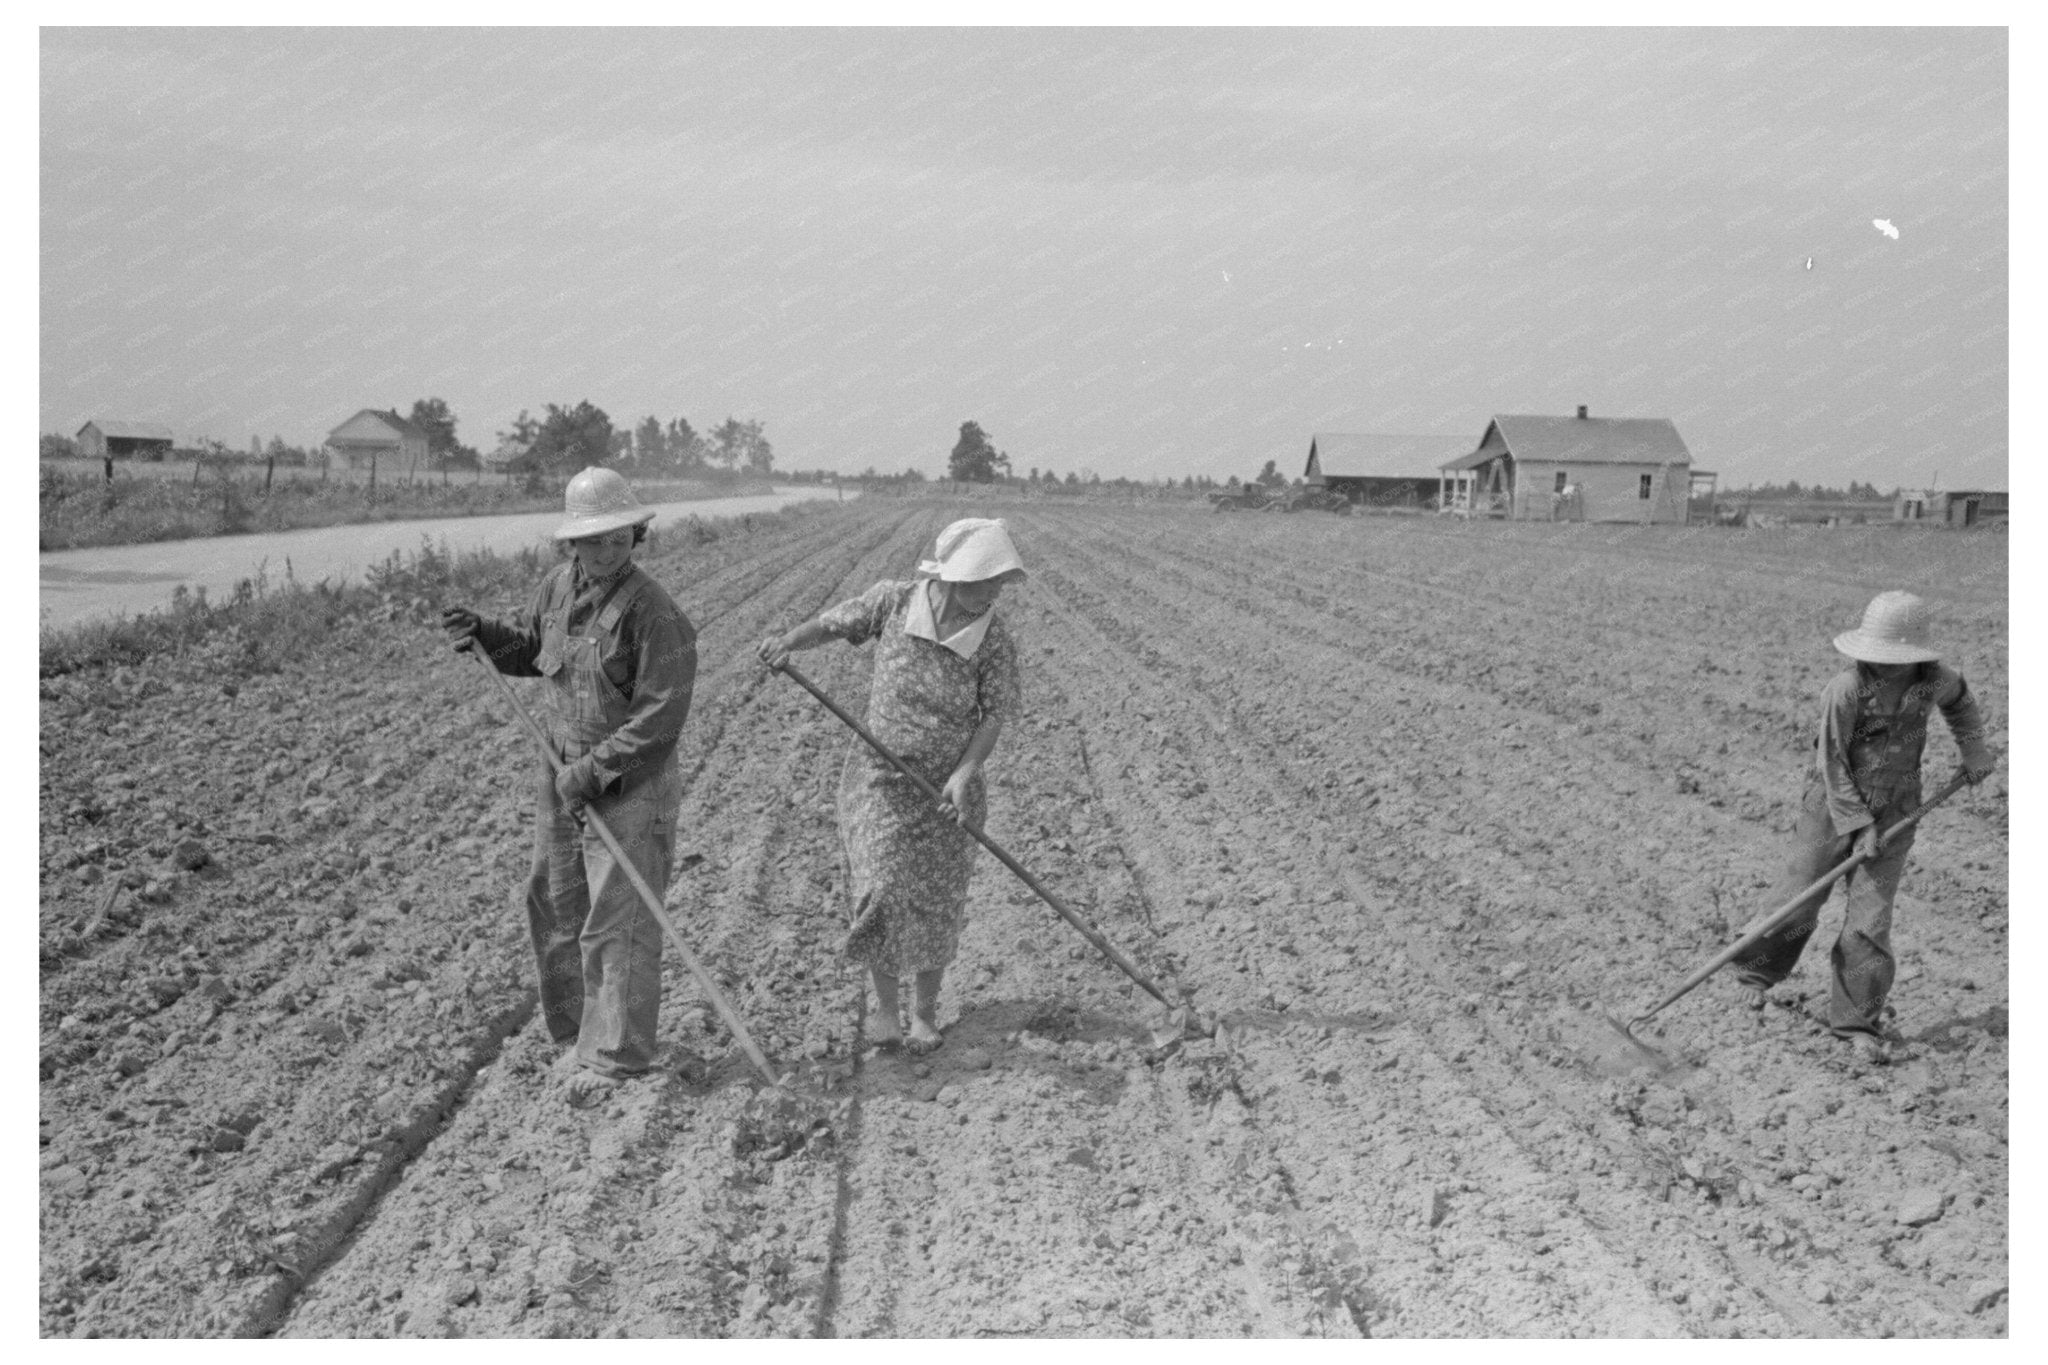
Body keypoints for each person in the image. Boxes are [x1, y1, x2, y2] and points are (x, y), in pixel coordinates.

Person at [440, 466, 698, 1104]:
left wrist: (589, 775)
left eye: (619, 537)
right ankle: (576, 1032)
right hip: (560, 770)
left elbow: (661, 718)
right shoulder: (557, 588)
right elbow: (537, 653)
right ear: (570, 543)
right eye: (593, 539)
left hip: (629, 780)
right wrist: (489, 638)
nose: (607, 550)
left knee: (620, 918)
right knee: (556, 901)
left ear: (636, 535)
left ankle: (618, 1057)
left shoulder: (655, 613)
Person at [757, 517, 1026, 1056]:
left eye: (999, 582)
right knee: (881, 887)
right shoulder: (896, 603)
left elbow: (994, 714)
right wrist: (787, 643)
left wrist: (964, 772)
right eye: (984, 581)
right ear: (951, 577)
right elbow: (835, 623)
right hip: (881, 776)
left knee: (936, 898)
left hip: (949, 790)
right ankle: (885, 1009)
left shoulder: (993, 639)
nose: (993, 593)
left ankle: (924, 1013)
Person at [1730, 591, 1995, 1062]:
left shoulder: (1936, 680)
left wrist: (1973, 751)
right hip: (1831, 807)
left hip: (1898, 807)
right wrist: (1859, 825)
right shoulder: (1845, 689)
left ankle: (1856, 1022)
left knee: (1869, 923)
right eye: (1877, 658)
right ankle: (1754, 975)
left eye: (1895, 659)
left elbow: (1962, 706)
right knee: (1797, 902)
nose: (1885, 666)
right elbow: (1831, 762)